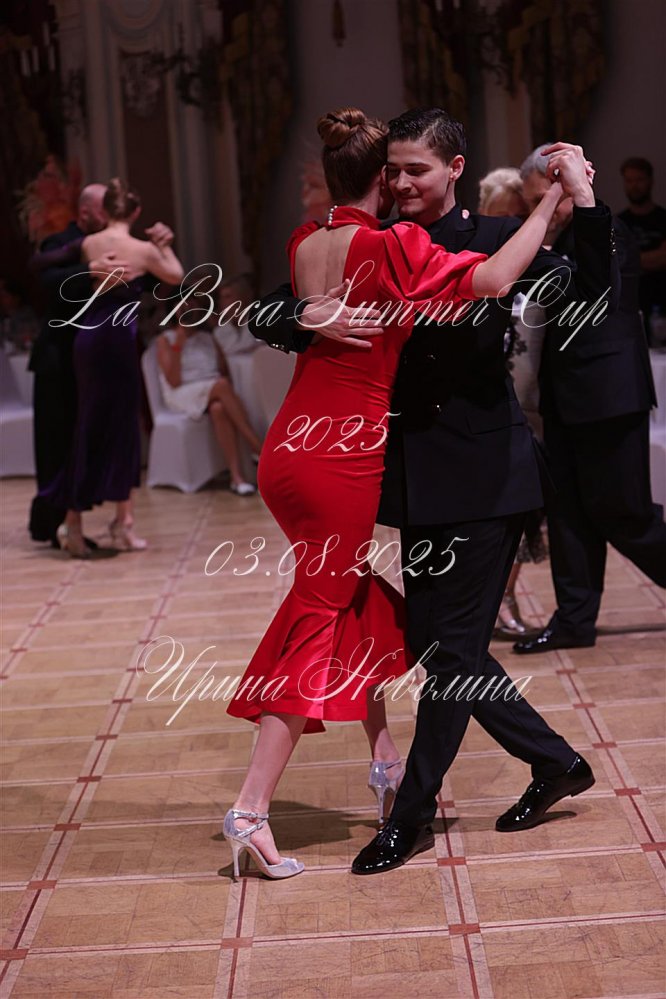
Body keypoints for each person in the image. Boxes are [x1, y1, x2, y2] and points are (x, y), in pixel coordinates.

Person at [250, 108, 616, 877]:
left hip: (486, 476)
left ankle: (411, 815)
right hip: (412, 478)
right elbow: (268, 307)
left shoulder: (493, 235)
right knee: (431, 642)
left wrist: (578, 202)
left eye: (416, 169)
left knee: (449, 653)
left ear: (454, 168)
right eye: (393, 170)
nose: (402, 181)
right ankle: (555, 762)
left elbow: (588, 285)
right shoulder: (374, 240)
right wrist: (299, 313)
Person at [514, 146, 666, 655]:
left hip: (610, 396)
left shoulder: (606, 229)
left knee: (625, 514)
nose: (540, 208)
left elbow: (596, 299)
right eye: (532, 200)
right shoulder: (549, 239)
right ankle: (574, 622)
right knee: (569, 517)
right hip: (563, 399)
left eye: (545, 197)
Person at [41, 178, 184, 557]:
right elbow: (176, 275)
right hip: (118, 340)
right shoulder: (143, 250)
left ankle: (74, 523)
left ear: (105, 210)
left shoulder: (90, 243)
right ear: (136, 212)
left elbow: (47, 263)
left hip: (87, 338)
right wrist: (163, 245)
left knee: (87, 425)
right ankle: (123, 523)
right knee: (123, 428)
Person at [477, 167, 547, 639]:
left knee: (525, 512)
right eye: (499, 216)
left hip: (531, 414)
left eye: (517, 217)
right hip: (483, 411)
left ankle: (505, 597)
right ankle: (487, 603)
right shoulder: (468, 266)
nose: (509, 226)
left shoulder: (540, 266)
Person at [157, 303, 263, 496]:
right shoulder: (167, 340)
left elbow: (223, 370)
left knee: (218, 408)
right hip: (182, 393)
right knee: (221, 386)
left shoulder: (208, 338)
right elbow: (173, 381)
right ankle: (257, 446)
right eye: (184, 309)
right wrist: (179, 345)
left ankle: (236, 478)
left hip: (211, 388)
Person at [213, 274, 269, 441]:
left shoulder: (261, 320)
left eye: (229, 297)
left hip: (262, 380)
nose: (224, 303)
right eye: (222, 298)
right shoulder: (220, 332)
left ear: (243, 297)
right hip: (236, 387)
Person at [618, 157, 666, 343]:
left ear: (650, 181)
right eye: (629, 180)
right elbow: (614, 262)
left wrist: (629, 260)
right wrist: (650, 258)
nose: (634, 186)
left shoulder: (663, 219)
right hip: (630, 304)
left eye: (639, 180)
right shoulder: (618, 223)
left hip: (661, 302)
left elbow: (663, 258)